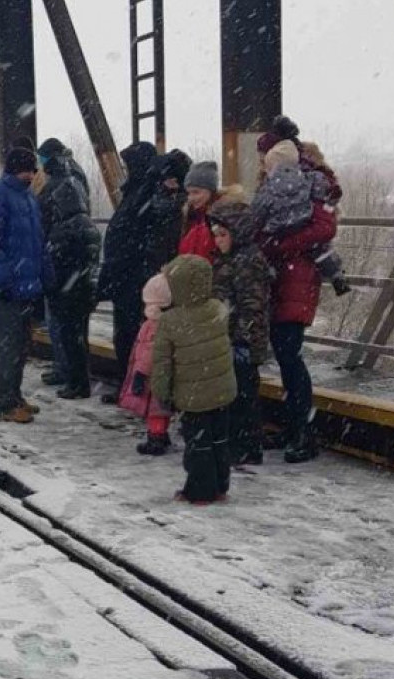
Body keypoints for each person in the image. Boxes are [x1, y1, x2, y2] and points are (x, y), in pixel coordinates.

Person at [256, 145, 338, 464]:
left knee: (289, 355)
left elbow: (323, 229)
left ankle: (303, 431)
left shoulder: (307, 188)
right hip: (286, 279)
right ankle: (296, 428)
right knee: (286, 354)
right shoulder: (302, 188)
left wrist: (279, 245)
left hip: (295, 279)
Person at [152, 255, 237, 505]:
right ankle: (220, 486)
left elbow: (163, 363)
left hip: (193, 396)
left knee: (198, 445)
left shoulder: (170, 320)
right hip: (222, 390)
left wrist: (162, 392)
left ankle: (199, 492)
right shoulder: (218, 309)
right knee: (219, 440)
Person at [0, 146, 50, 424]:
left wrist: (43, 275)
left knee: (21, 345)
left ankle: (15, 396)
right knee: (9, 345)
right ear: (14, 169)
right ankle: (5, 404)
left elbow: (35, 242)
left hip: (25, 285)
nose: (30, 175)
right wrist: (2, 278)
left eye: (32, 170)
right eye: (26, 170)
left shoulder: (27, 197)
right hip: (6, 288)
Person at [209, 198, 271, 466]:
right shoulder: (229, 259)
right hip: (230, 337)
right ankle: (240, 441)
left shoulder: (246, 262)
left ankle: (247, 444)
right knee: (235, 394)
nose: (217, 241)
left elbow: (252, 306)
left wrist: (245, 341)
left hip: (241, 340)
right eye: (215, 235)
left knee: (243, 394)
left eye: (222, 235)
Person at [36, 140, 101, 399]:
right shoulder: (83, 220)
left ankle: (74, 381)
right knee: (77, 332)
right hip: (79, 282)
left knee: (65, 328)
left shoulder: (61, 227)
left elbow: (43, 233)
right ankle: (76, 377)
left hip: (66, 283)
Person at [257, 116, 350, 296]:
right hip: (293, 267)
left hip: (295, 269)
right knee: (322, 252)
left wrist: (277, 244)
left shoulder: (305, 177)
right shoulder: (312, 175)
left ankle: (335, 274)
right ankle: (336, 274)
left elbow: (323, 228)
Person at [96, 142, 159, 401]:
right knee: (126, 334)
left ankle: (134, 388)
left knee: (133, 335)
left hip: (134, 276)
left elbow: (137, 238)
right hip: (127, 275)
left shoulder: (144, 194)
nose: (124, 169)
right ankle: (128, 386)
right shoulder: (139, 191)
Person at [118, 273, 174, 455]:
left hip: (152, 375)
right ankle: (161, 433)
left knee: (154, 409)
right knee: (162, 407)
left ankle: (156, 436)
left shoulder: (153, 325)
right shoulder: (169, 323)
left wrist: (140, 372)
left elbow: (149, 353)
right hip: (164, 374)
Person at [178, 161, 222, 263]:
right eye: (188, 193)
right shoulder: (191, 218)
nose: (191, 198)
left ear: (211, 191)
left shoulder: (220, 218)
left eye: (196, 192)